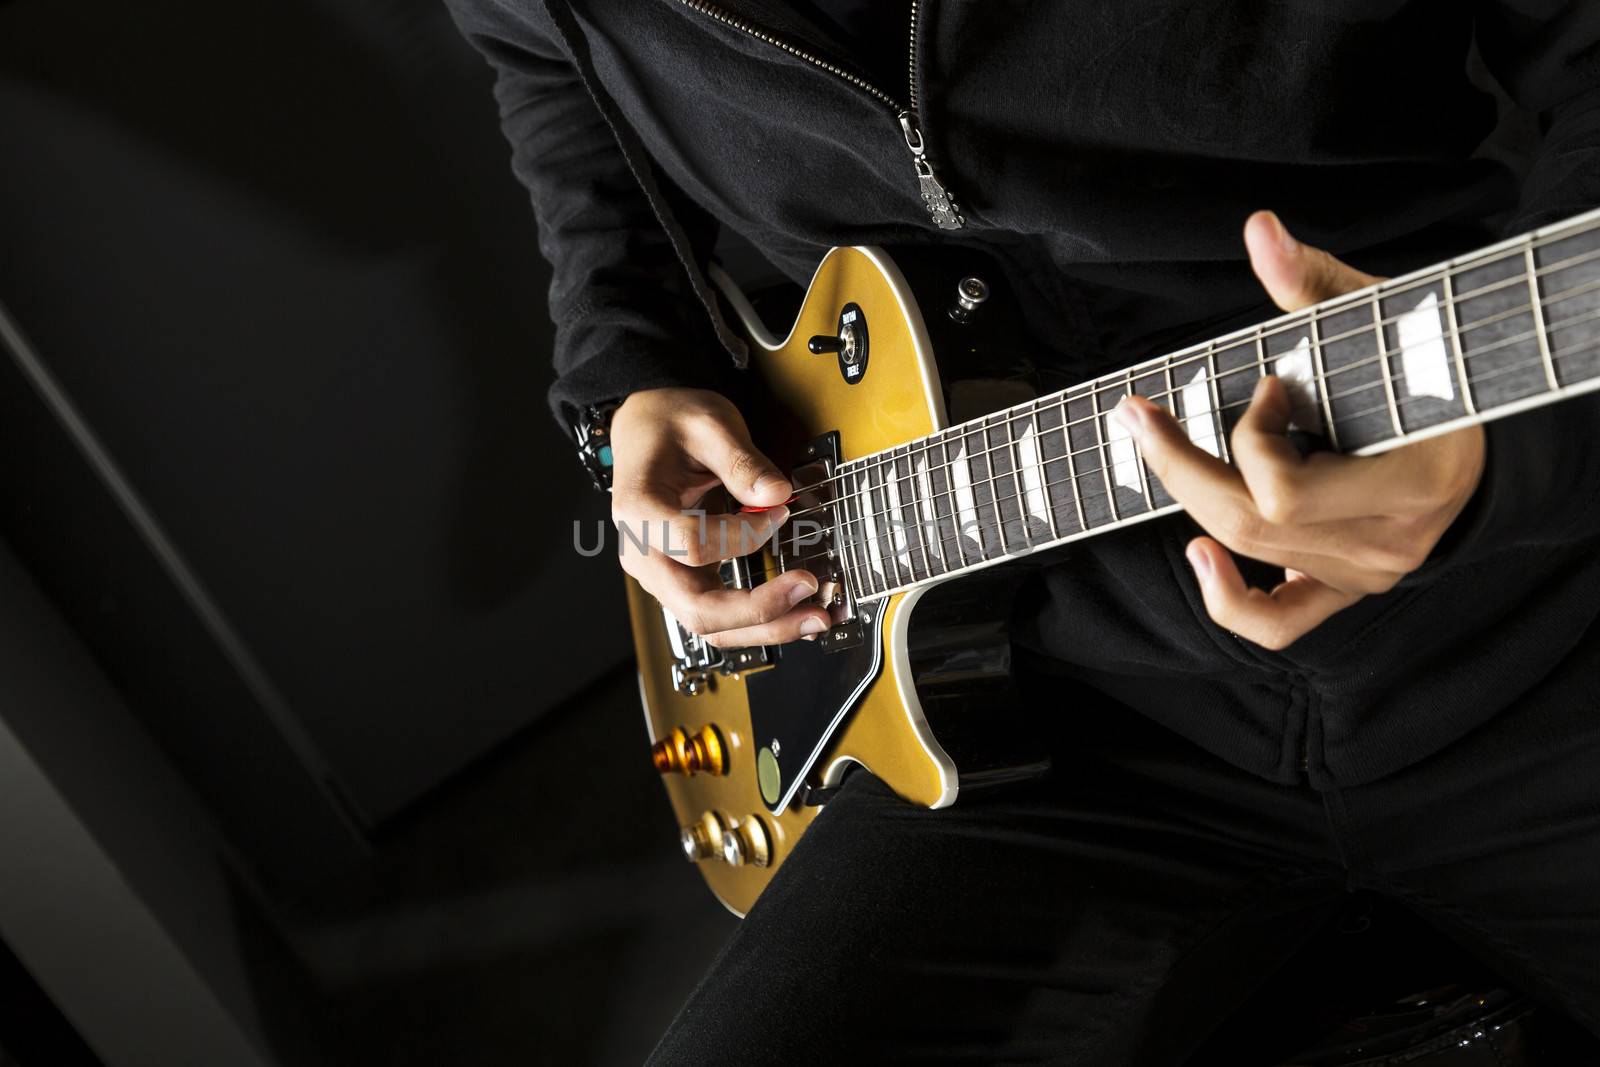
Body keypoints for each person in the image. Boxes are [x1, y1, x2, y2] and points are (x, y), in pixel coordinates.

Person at [443, 1, 1600, 1061]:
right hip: (1036, 711)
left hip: (1535, 602)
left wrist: (1513, 463)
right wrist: (628, 371)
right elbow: (543, 56)